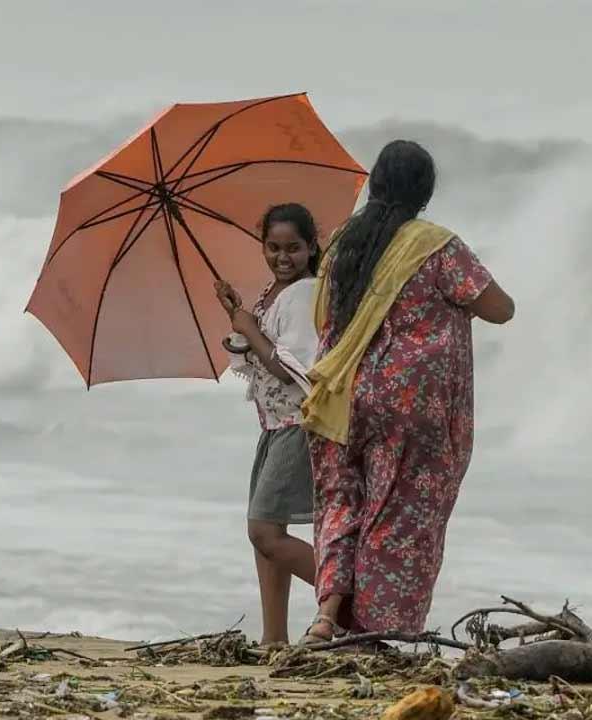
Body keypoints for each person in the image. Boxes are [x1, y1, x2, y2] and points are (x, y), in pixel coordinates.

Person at [301, 140, 515, 645]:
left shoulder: (342, 243)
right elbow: (500, 309)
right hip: (409, 404)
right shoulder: (436, 246)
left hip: (341, 395)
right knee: (398, 514)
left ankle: (326, 618)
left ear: (375, 184)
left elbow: (324, 316)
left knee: (342, 504)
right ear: (424, 191)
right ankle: (373, 635)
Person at [215, 203, 322, 647]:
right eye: (273, 248)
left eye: (293, 248)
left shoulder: (306, 293)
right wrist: (239, 317)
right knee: (268, 534)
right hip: (275, 426)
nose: (282, 257)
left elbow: (290, 367)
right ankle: (274, 637)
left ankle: (352, 600)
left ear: (311, 247)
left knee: (262, 530)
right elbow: (258, 357)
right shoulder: (276, 293)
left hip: (299, 425)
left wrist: (251, 329)